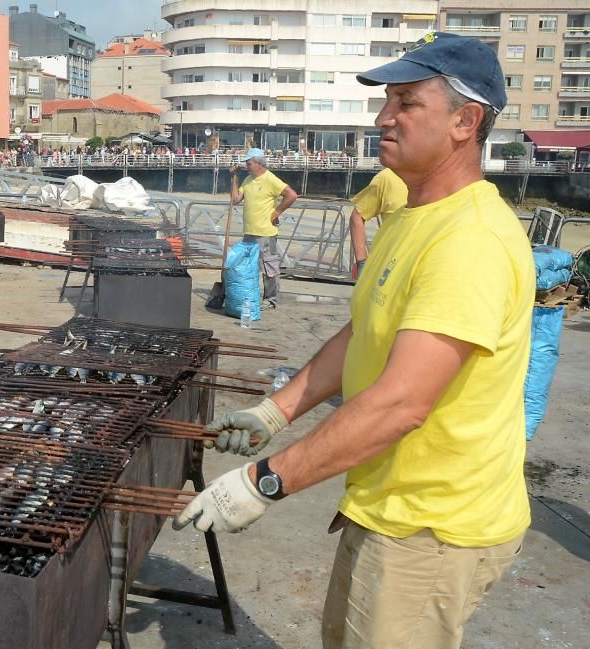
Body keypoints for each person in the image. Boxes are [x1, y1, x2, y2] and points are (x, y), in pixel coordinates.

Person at [175, 33, 532, 649]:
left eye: (407, 102)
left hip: (432, 527)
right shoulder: (414, 216)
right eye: (387, 100)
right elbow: (364, 332)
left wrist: (264, 480)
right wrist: (275, 409)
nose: (383, 117)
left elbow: (402, 403)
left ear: (465, 122)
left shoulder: (469, 240)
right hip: (387, 506)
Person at [228, 148, 298, 309]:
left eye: (249, 163)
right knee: (246, 265)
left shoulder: (270, 179)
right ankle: (248, 294)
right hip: (249, 232)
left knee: (269, 267)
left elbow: (292, 195)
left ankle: (271, 299)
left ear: (259, 163)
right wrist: (234, 178)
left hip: (266, 232)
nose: (246, 165)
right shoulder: (247, 180)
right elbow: (235, 199)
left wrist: (277, 212)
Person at [349, 167, 407, 276]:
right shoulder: (388, 178)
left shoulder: (441, 180)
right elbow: (357, 217)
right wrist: (362, 262)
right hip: (389, 267)